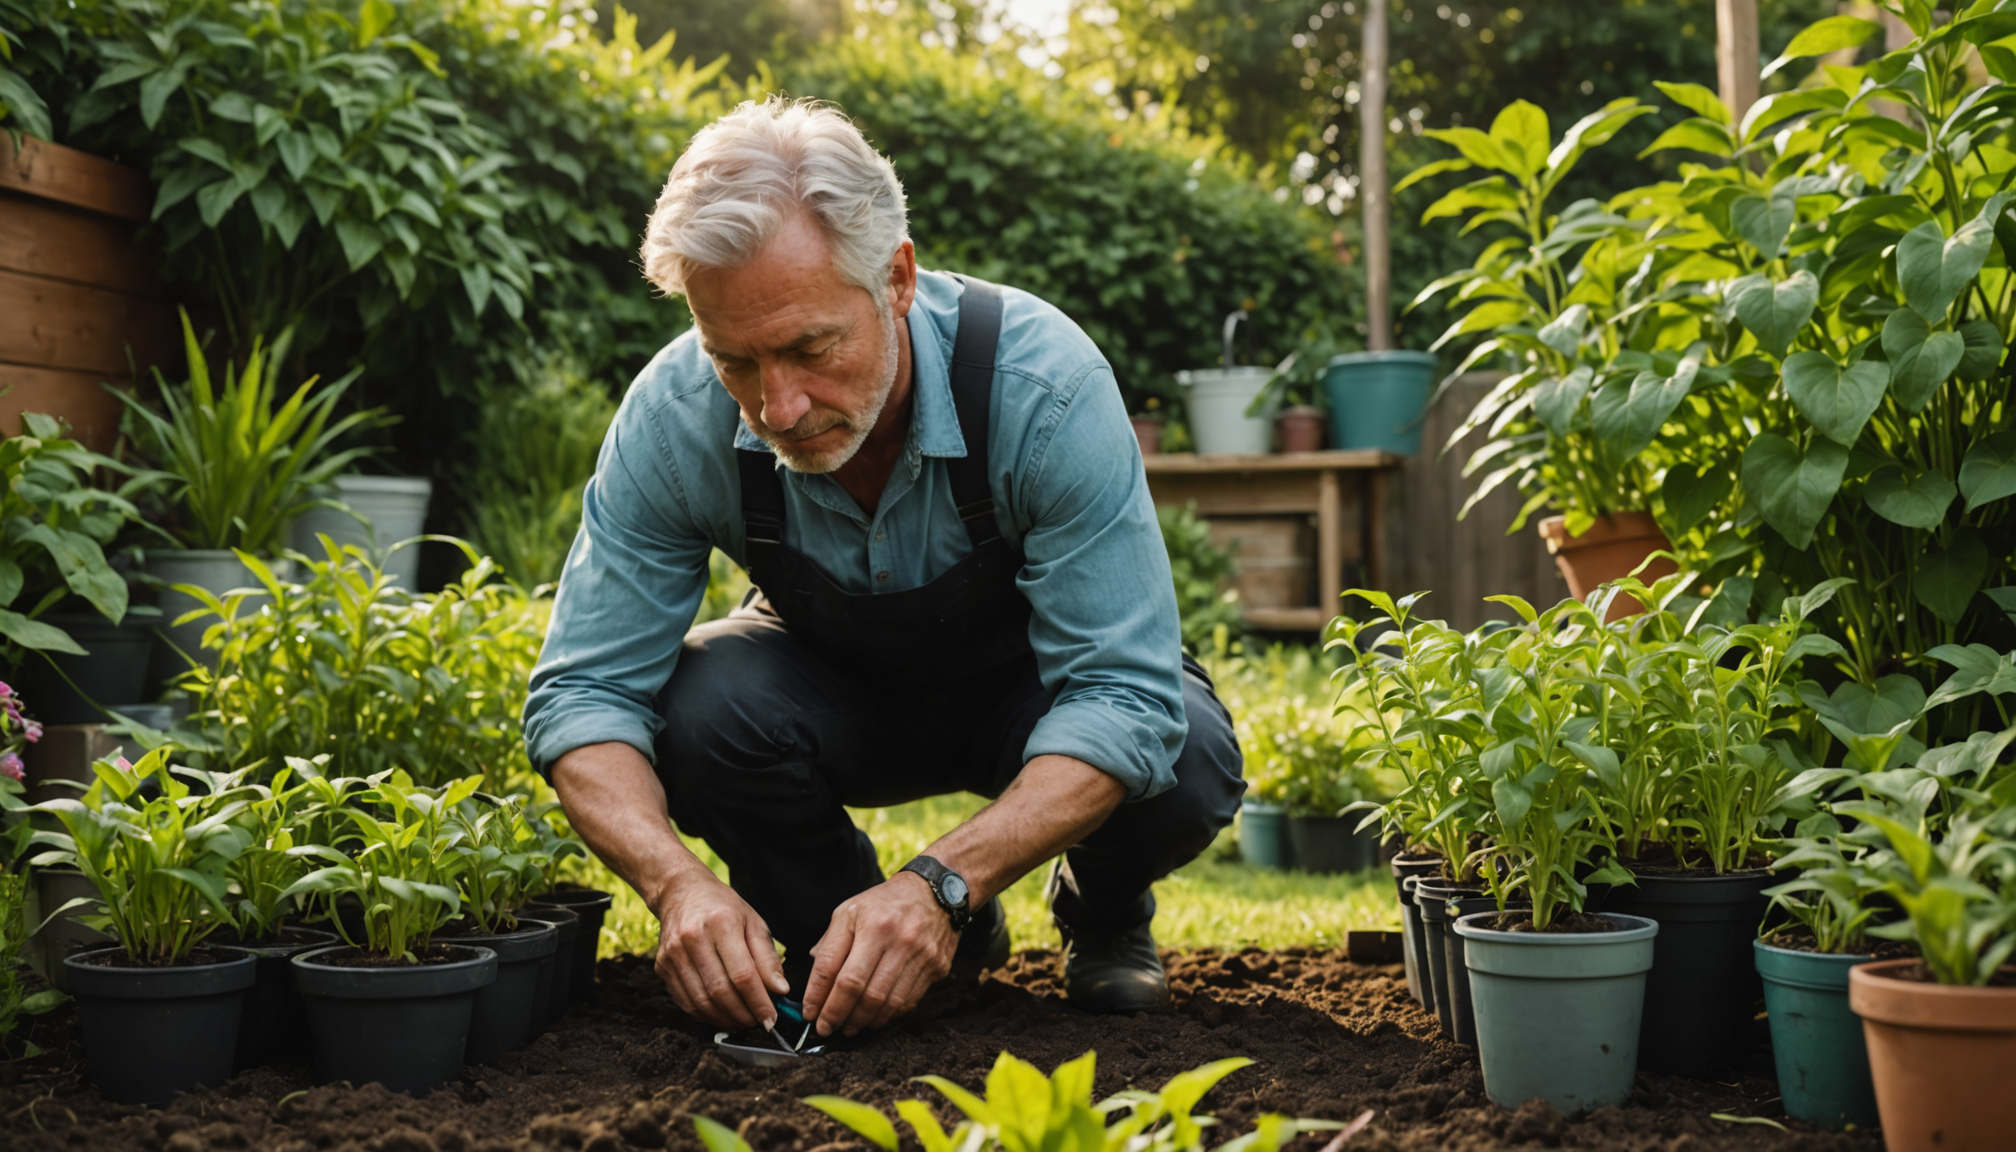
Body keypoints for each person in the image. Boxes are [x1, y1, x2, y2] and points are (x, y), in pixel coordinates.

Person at [524, 96, 1243, 1043]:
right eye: (735, 360)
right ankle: (850, 933)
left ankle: (1098, 910)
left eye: (811, 349)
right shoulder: (674, 418)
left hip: (1034, 695)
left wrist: (942, 876)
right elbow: (583, 696)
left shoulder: (1042, 386)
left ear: (896, 279)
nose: (777, 407)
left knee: (1184, 753)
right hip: (830, 694)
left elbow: (1123, 694)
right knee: (697, 710)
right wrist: (678, 885)